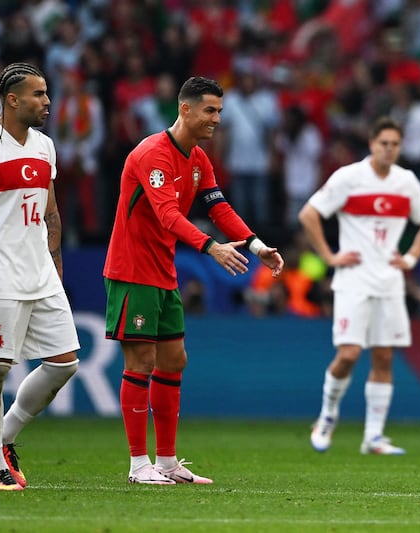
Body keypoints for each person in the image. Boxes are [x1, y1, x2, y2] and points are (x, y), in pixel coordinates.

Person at [103, 76, 284, 485]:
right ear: (185, 109)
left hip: (162, 272)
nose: (217, 119)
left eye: (219, 111)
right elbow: (168, 215)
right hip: (133, 271)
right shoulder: (153, 154)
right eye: (210, 110)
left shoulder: (199, 159)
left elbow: (219, 209)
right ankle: (138, 465)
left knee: (174, 360)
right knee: (141, 362)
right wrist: (211, 248)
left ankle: (166, 462)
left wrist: (257, 247)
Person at [0, 62, 80, 491]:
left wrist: (56, 266)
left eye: (46, 93)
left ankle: (3, 438)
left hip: (40, 274)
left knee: (65, 363)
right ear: (12, 99)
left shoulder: (44, 146)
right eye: (38, 94)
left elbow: (51, 211)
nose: (47, 101)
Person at [299, 116, 420, 455]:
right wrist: (330, 257)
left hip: (389, 281)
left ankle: (373, 437)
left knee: (384, 357)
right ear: (372, 144)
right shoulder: (349, 178)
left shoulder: (406, 182)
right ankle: (327, 417)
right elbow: (309, 214)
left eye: (394, 144)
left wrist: (410, 259)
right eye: (383, 143)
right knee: (347, 354)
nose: (389, 149)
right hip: (354, 280)